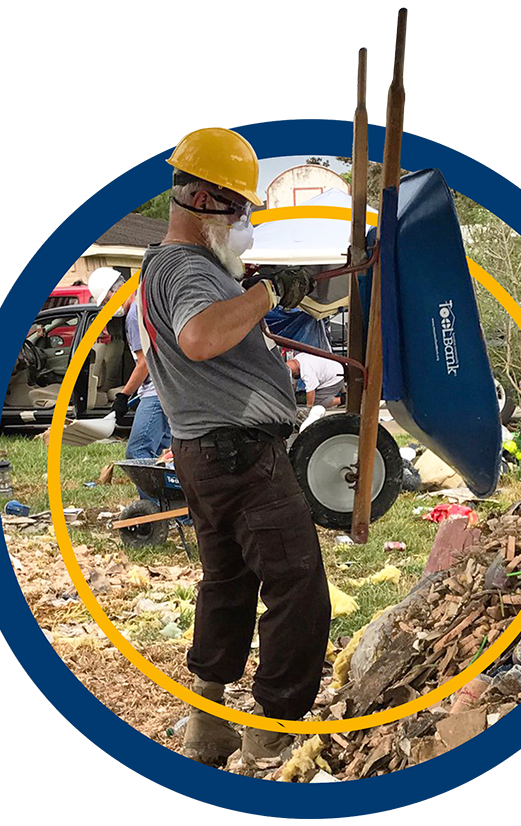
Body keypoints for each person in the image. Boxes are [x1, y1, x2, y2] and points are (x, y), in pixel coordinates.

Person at [135, 127, 332, 768]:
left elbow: (210, 336)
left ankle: (209, 726)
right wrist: (266, 293)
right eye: (239, 208)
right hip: (241, 455)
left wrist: (257, 292)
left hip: (205, 453)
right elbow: (197, 337)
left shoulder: (177, 269)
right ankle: (272, 729)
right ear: (199, 198)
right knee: (297, 586)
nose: (246, 221)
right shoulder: (185, 267)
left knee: (228, 584)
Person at [87, 268, 172, 498]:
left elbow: (144, 364)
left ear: (116, 291)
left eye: (106, 301)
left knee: (137, 451)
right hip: (170, 388)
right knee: (169, 454)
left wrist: (123, 396)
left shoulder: (134, 314)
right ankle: (178, 508)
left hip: (157, 392)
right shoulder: (147, 304)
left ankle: (153, 509)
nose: (106, 307)